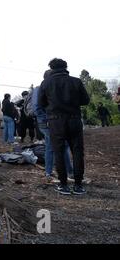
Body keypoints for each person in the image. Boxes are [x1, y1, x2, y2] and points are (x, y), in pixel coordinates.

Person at [39, 58, 90, 195]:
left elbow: (41, 103)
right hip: (74, 119)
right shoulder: (76, 81)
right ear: (66, 67)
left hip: (55, 121)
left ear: (51, 68)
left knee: (59, 152)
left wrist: (52, 109)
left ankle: (63, 185)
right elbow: (86, 100)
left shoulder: (46, 83)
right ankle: (78, 185)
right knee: (78, 151)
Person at [32, 70, 74, 182]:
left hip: (53, 121)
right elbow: (36, 108)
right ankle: (52, 173)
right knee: (55, 146)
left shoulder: (50, 88)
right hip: (47, 122)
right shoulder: (39, 88)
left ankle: (57, 172)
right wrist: (46, 119)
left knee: (58, 145)